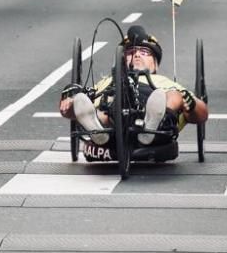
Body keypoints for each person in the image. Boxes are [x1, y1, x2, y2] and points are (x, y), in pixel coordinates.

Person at [59, 25, 208, 161]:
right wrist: (70, 102)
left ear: (155, 63)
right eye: (130, 52)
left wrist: (192, 103)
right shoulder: (108, 81)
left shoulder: (165, 82)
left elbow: (202, 114)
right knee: (90, 102)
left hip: (154, 109)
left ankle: (152, 126)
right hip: (113, 117)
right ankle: (98, 130)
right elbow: (76, 109)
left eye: (144, 52)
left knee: (175, 95)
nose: (136, 55)